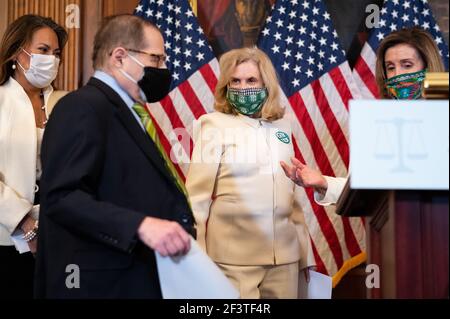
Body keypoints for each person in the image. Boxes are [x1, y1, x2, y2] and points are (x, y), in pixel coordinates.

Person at [35, 14, 195, 299]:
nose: (163, 68)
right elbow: (62, 197)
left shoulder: (122, 111)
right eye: (156, 59)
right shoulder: (82, 107)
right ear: (120, 57)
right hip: (97, 285)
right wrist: (140, 225)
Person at [186, 47, 315, 299]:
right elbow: (196, 200)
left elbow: (292, 197)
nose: (243, 87)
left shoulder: (282, 127)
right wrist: (197, 259)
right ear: (226, 85)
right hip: (233, 261)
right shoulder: (212, 125)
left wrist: (304, 256)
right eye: (236, 81)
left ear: (266, 84)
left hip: (285, 260)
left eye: (251, 80)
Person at [281, 27, 446, 204]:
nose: (397, 74)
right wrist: (323, 183)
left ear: (427, 68)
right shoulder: (375, 125)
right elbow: (362, 190)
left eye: (407, 65)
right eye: (390, 67)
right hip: (393, 226)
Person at [0, 14, 67, 299]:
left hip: (60, 236)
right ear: (18, 51)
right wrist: (25, 223)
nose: (50, 59)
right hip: (6, 237)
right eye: (42, 50)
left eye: (56, 53)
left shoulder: (65, 104)